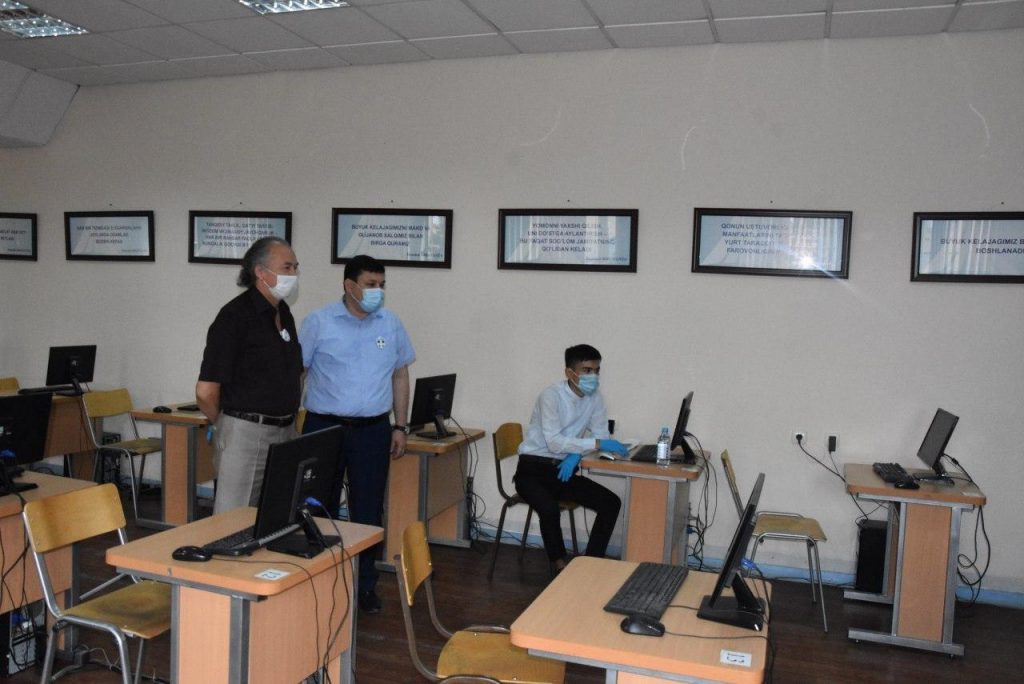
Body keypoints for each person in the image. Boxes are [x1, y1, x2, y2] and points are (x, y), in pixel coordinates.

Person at [299, 254, 415, 613]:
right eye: (370, 284)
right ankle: (318, 580)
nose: (378, 291)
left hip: (373, 430)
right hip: (324, 427)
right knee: (318, 507)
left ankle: (364, 585)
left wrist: (400, 425)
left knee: (368, 510)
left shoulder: (390, 323)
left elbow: (400, 375)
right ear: (349, 286)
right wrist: (289, 423)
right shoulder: (319, 322)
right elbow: (297, 373)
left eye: (382, 285)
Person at [196, 236, 303, 514]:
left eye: (295, 268)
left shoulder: (283, 313)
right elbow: (206, 392)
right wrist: (226, 425)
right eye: (287, 267)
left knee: (274, 517)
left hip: (285, 431)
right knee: (234, 519)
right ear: (260, 272)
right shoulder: (234, 317)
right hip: (245, 433)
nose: (293, 274)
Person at [515, 344, 625, 572]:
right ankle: (560, 565)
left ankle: (591, 561)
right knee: (549, 509)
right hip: (532, 470)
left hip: (562, 471)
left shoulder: (595, 398)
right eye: (587, 370)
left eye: (597, 370)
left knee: (611, 503)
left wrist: (576, 454)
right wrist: (594, 444)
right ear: (569, 373)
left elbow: (600, 434)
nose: (593, 376)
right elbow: (554, 442)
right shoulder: (550, 396)